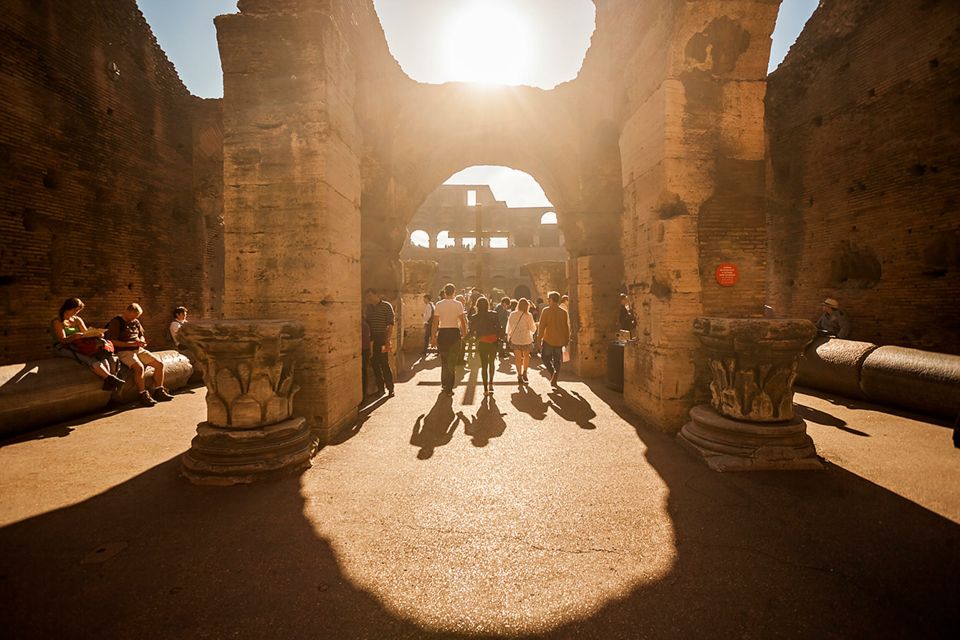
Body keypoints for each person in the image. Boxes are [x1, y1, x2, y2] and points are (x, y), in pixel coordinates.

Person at [106, 303, 173, 406]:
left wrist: (142, 341)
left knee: (159, 364)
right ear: (126, 311)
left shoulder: (136, 322)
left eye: (135, 317)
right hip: (123, 351)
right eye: (131, 316)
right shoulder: (116, 322)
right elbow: (112, 341)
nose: (133, 319)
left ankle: (159, 390)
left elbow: (141, 335)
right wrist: (133, 343)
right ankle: (143, 394)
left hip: (138, 349)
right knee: (139, 367)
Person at [51, 297, 124, 391]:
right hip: (63, 347)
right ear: (68, 308)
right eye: (75, 310)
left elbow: (86, 334)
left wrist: (97, 334)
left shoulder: (77, 320)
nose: (76, 313)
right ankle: (111, 379)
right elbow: (62, 340)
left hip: (80, 345)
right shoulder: (57, 321)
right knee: (89, 359)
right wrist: (74, 336)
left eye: (78, 311)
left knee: (104, 358)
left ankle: (109, 381)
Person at [432, 283, 468, 395]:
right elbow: (463, 321)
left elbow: (435, 323)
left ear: (444, 292)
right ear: (454, 292)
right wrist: (464, 334)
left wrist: (433, 337)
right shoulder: (458, 304)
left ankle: (444, 384)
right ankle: (449, 388)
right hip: (454, 333)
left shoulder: (438, 304)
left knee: (444, 361)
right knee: (452, 362)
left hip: (442, 333)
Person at [469, 296, 503, 396]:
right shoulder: (494, 314)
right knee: (491, 363)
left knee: (484, 365)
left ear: (477, 306)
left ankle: (485, 389)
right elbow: (499, 327)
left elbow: (472, 332)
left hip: (482, 342)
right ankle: (491, 383)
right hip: (493, 341)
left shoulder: (474, 317)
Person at [365, 288, 395, 397]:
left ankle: (390, 388)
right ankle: (380, 389)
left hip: (382, 338)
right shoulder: (368, 308)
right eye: (367, 297)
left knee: (384, 363)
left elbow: (390, 324)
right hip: (372, 340)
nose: (368, 299)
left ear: (376, 295)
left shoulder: (386, 306)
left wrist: (387, 340)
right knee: (374, 364)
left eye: (370, 296)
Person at [537, 291, 571, 388]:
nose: (548, 301)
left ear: (551, 299)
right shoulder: (563, 312)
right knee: (557, 360)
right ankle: (555, 373)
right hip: (560, 340)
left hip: (548, 339)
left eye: (548, 299)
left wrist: (539, 339)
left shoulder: (546, 311)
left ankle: (552, 372)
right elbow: (566, 327)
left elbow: (542, 326)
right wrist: (567, 339)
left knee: (545, 357)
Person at [506, 298, 537, 385]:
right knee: (526, 356)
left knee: (518, 358)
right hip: (526, 338)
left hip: (516, 339)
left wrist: (509, 336)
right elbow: (532, 328)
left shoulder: (512, 314)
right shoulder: (528, 315)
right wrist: (535, 328)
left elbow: (509, 327)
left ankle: (519, 374)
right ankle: (525, 372)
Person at [361, 312, 372, 399]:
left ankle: (364, 393)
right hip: (365, 350)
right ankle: (364, 393)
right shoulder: (365, 325)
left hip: (364, 350)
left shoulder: (363, 326)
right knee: (364, 371)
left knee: (363, 371)